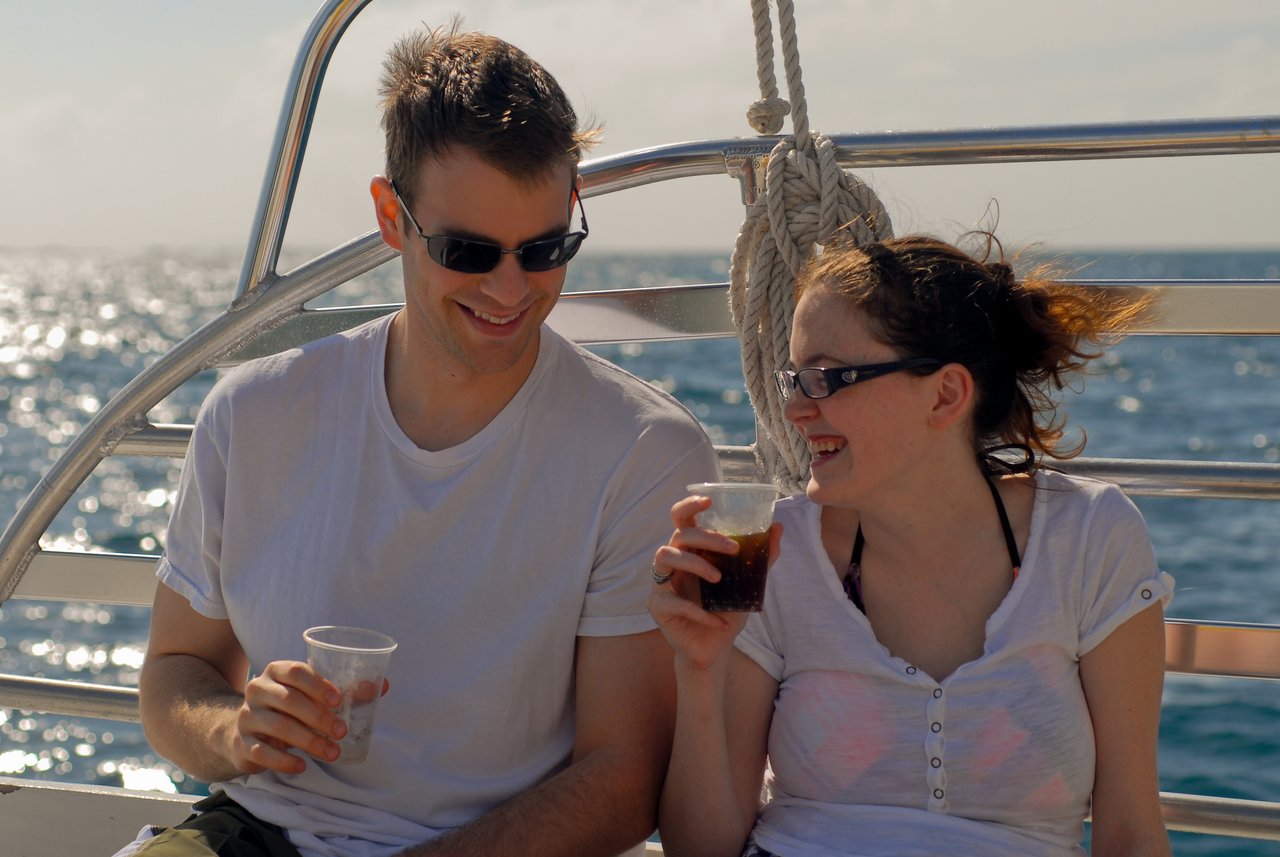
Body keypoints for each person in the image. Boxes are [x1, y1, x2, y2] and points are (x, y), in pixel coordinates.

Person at [117, 22, 719, 857]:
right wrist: (235, 730)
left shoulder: (644, 452)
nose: (511, 288)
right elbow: (173, 673)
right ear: (390, 218)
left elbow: (623, 779)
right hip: (255, 831)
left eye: (546, 249)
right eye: (469, 251)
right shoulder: (251, 412)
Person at [648, 235, 1173, 857]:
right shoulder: (774, 555)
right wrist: (700, 670)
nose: (793, 408)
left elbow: (1132, 833)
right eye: (794, 378)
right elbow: (701, 848)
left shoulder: (1088, 537)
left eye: (827, 378)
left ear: (946, 395)